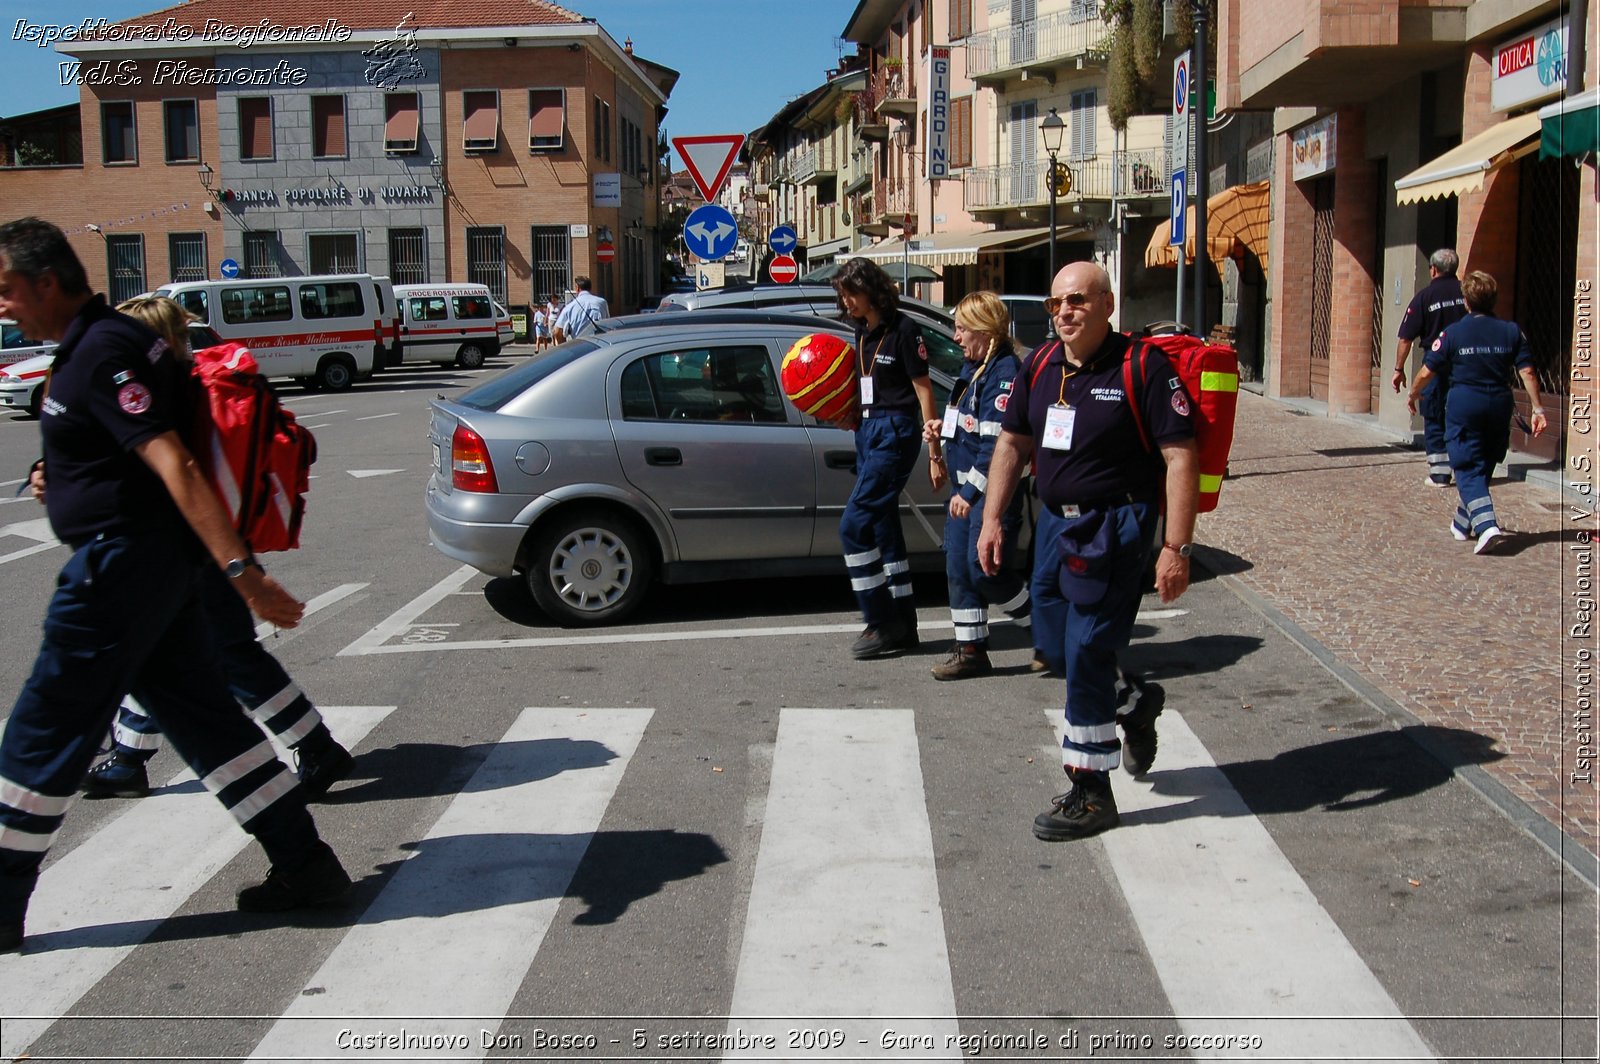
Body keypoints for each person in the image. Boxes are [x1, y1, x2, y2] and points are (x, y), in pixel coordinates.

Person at [0, 218, 351, 953]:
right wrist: (62, 476)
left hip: (117, 575)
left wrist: (244, 576)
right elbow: (134, 450)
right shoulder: (122, 341)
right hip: (158, 570)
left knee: (41, 735)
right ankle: (306, 865)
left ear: (46, 281)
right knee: (213, 728)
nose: (4, 306)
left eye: (7, 290)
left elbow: (173, 462)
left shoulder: (102, 352)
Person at [74, 296, 353, 801]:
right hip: (200, 545)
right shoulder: (189, 382)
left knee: (231, 657)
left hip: (196, 547)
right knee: (166, 650)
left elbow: (173, 475)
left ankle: (315, 747)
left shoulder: (167, 393)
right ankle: (131, 759)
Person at [978, 262, 1198, 841]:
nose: (1064, 313)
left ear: (1107, 303)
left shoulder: (1143, 366)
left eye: (1075, 301)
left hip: (1116, 523)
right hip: (1056, 525)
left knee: (1088, 646)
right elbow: (1012, 442)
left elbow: (1180, 458)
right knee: (1054, 645)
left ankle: (1091, 790)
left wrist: (1175, 547)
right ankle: (1135, 701)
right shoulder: (1042, 364)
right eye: (1054, 304)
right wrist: (992, 517)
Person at [833, 257, 944, 659]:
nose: (847, 302)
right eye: (842, 295)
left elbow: (923, 390)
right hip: (867, 428)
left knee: (853, 526)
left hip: (896, 430)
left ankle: (881, 621)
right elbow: (865, 385)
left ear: (871, 290)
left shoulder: (904, 330)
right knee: (881, 527)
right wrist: (851, 415)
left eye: (852, 294)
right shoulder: (860, 332)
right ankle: (904, 623)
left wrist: (935, 451)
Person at [921, 291, 1031, 680]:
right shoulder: (973, 369)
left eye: (962, 328)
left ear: (985, 331)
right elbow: (967, 423)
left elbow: (997, 448)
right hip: (965, 492)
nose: (956, 336)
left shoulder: (1003, 374)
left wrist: (969, 494)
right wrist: (941, 430)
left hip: (988, 494)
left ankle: (1042, 626)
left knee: (984, 569)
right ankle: (970, 650)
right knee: (959, 568)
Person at [1407, 270, 1547, 555]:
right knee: (1486, 458)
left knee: (1467, 464)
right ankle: (1462, 523)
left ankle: (1486, 526)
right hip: (1499, 401)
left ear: (1466, 301)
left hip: (1465, 402)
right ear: (1493, 299)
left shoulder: (1454, 332)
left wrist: (1413, 392)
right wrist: (1538, 407)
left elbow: (1427, 370)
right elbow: (1528, 371)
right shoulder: (1511, 331)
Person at [1393, 248, 1467, 487]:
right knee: (1460, 415)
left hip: (1434, 365)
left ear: (1433, 269)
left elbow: (1405, 337)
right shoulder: (1467, 293)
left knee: (1434, 415)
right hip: (1465, 363)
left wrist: (1398, 368)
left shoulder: (1424, 297)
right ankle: (1464, 470)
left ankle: (1440, 473)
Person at [552, 276, 609, 341]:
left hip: (579, 346)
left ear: (577, 288)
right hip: (600, 345)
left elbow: (556, 332)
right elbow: (608, 323)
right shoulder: (602, 302)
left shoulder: (569, 307)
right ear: (590, 288)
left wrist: (563, 346)